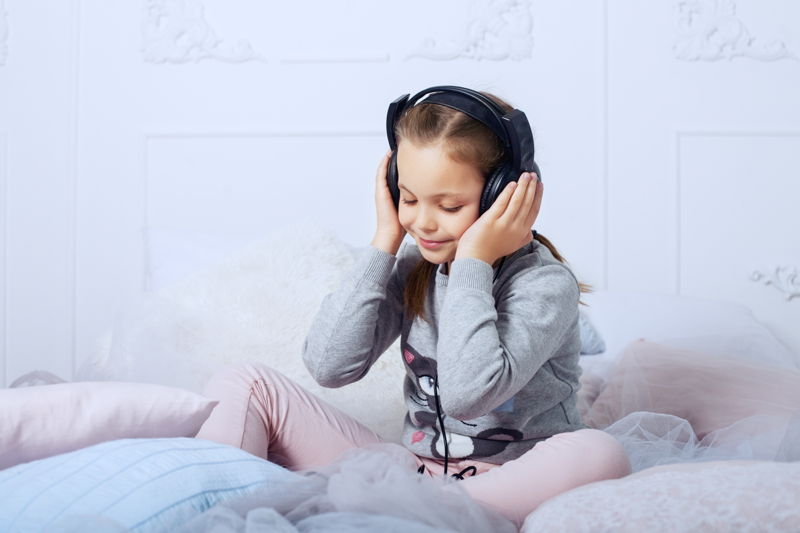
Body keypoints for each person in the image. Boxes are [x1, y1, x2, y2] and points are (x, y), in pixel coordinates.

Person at [195, 86, 631, 528]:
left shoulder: (544, 284)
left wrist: (473, 262)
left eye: (449, 205)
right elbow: (329, 365)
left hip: (508, 481)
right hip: (412, 474)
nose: (423, 222)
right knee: (244, 382)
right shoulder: (414, 262)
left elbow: (467, 397)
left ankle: (426, 516)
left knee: (599, 452)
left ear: (505, 193)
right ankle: (211, 508)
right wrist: (385, 240)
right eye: (409, 198)